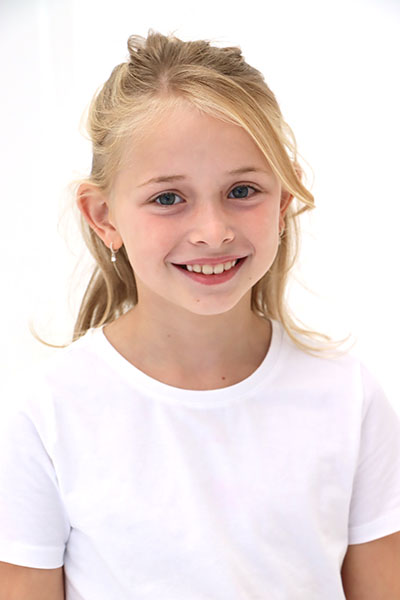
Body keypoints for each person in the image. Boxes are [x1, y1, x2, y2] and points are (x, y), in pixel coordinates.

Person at [1, 30, 400, 600]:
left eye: (242, 190)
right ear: (103, 216)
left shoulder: (348, 399)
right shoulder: (46, 414)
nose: (213, 231)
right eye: (168, 198)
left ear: (283, 202)